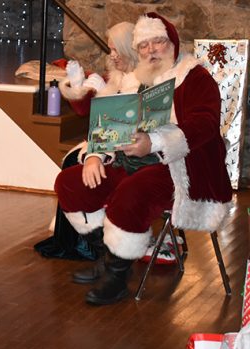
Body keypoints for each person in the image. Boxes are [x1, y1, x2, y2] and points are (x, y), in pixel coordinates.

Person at [53, 12, 233, 305]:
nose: (151, 50)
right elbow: (109, 122)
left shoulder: (194, 76)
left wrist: (155, 141)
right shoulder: (133, 79)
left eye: (157, 42)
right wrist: (94, 156)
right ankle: (108, 255)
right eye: (144, 45)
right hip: (128, 163)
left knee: (132, 192)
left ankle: (117, 276)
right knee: (70, 183)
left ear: (172, 42)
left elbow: (205, 125)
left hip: (177, 168)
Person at [34, 21, 139, 263]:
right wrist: (78, 87)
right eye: (110, 49)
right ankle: (74, 237)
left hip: (124, 153)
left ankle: (90, 242)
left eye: (115, 50)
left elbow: (121, 122)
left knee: (74, 168)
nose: (111, 55)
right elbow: (87, 112)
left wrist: (105, 95)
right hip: (106, 146)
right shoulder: (117, 75)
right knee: (72, 160)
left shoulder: (138, 80)